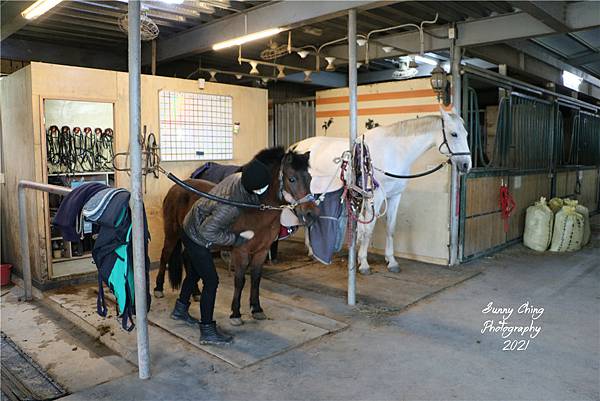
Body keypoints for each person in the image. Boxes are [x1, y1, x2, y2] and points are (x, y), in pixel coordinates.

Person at [171, 157, 272, 344]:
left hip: (191, 222)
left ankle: (180, 310)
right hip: (196, 236)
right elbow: (207, 232)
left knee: (194, 273)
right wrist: (237, 239)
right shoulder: (230, 207)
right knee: (211, 281)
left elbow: (248, 194)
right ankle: (208, 331)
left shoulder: (239, 178)